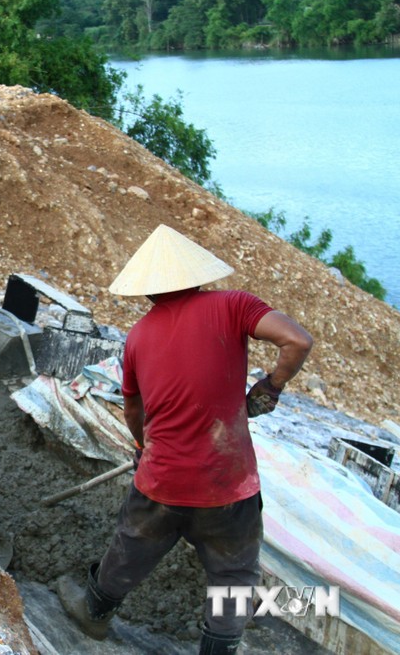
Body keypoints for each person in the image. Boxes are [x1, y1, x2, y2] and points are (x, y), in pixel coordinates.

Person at [56, 224, 313, 654]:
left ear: (147, 291)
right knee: (233, 576)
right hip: (228, 484)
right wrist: (270, 387)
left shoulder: (137, 337)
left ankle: (94, 614)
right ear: (197, 275)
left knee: (130, 548)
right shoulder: (233, 306)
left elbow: (134, 409)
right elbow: (297, 341)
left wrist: (141, 448)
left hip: (162, 481)